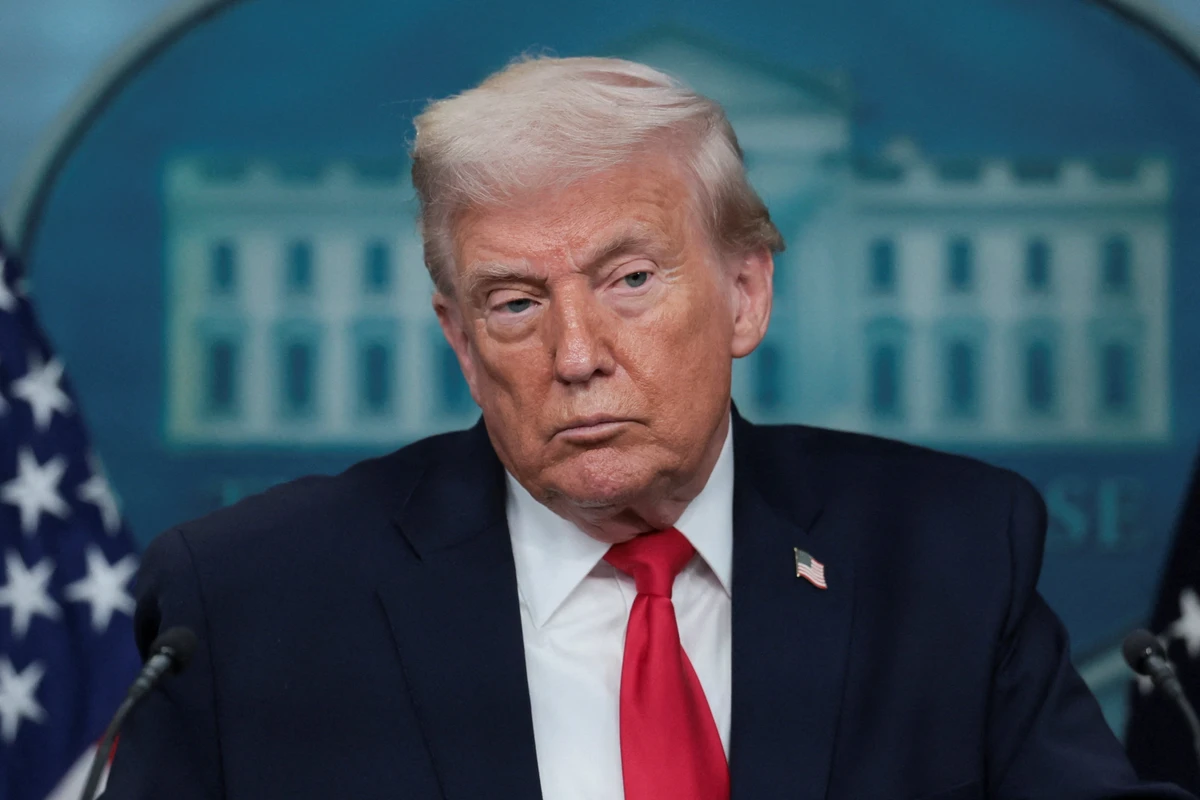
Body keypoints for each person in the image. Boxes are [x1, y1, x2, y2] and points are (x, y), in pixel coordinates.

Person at [104, 57, 1192, 800]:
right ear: (460, 340)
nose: (575, 352)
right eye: (516, 302)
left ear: (746, 293)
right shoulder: (249, 599)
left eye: (629, 278)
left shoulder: (948, 550)